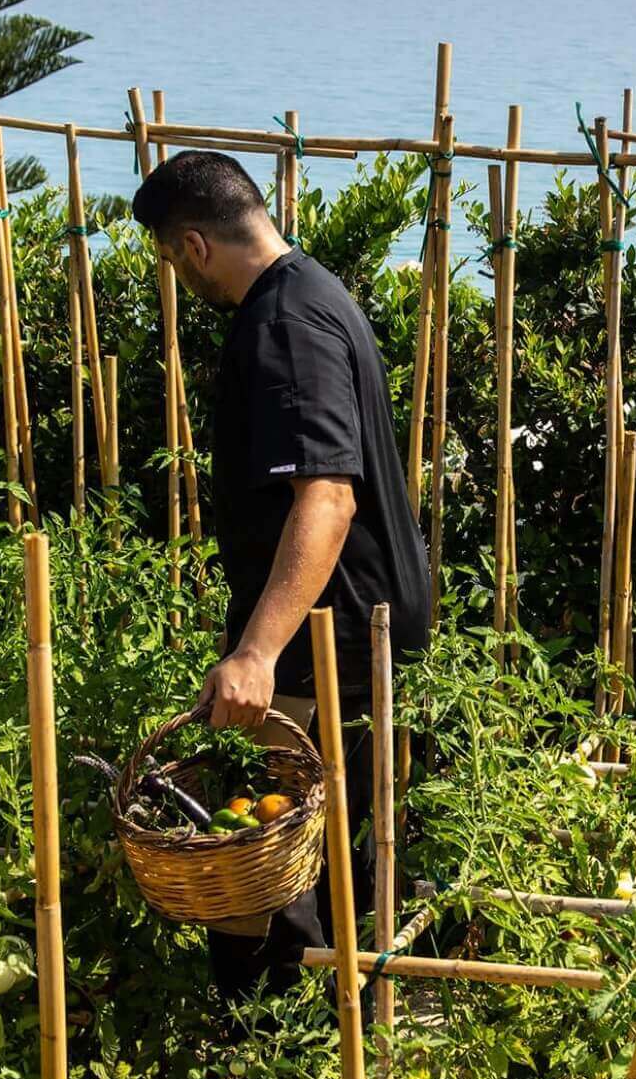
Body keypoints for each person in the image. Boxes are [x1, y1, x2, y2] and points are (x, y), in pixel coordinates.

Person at [131, 150, 430, 997]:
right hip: (347, 626)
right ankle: (335, 1060)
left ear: (194, 246)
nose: (177, 278)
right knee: (338, 854)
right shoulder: (317, 292)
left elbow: (327, 497)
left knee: (269, 871)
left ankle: (270, 1066)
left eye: (168, 261)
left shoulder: (281, 327)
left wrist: (257, 653)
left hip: (319, 638)